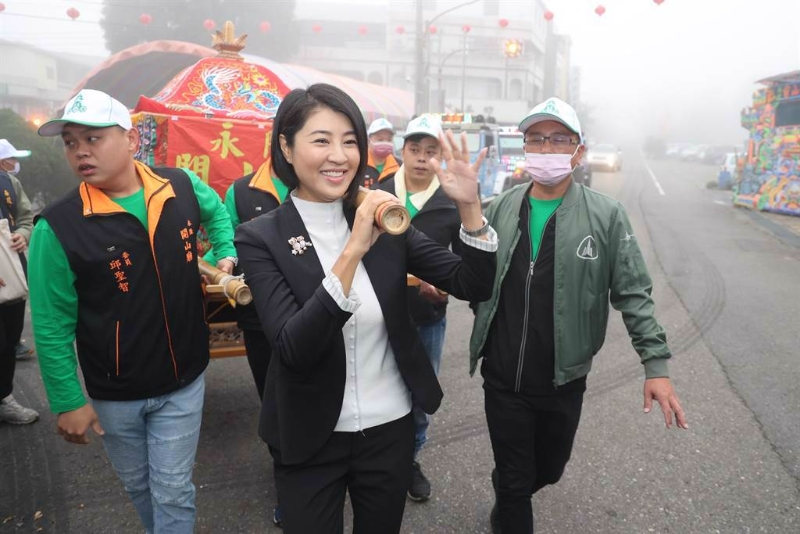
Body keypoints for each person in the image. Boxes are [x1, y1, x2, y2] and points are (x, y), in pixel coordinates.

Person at [235, 83, 497, 533]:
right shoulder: (261, 237)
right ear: (287, 147)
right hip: (308, 433)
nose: (339, 156)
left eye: (350, 141)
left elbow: (473, 283)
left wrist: (470, 208)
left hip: (389, 429)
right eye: (321, 140)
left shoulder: (385, 220)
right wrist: (353, 249)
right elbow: (293, 347)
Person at [469, 97, 688, 534]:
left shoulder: (606, 216)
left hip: (563, 380)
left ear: (578, 151)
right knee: (514, 482)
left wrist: (656, 366)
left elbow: (634, 293)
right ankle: (510, 495)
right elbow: (475, 278)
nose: (545, 149)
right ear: (524, 148)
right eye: (535, 139)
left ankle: (512, 488)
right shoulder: (501, 207)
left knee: (549, 470)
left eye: (558, 140)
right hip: (503, 378)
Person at [28, 89, 237, 533]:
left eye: (93, 138)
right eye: (70, 142)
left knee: (173, 488)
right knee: (140, 485)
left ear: (131, 139)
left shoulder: (179, 186)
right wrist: (67, 400)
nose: (80, 151)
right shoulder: (59, 226)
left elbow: (217, 212)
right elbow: (51, 323)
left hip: (184, 379)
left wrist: (225, 253)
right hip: (116, 391)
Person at [374, 114, 462, 502]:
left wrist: (444, 287)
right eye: (415, 149)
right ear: (403, 151)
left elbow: (463, 265)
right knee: (378, 387)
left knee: (419, 394)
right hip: (379, 316)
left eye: (431, 151)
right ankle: (378, 460)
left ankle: (409, 459)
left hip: (427, 318)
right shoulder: (377, 195)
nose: (423, 158)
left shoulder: (450, 202)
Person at [202, 156, 289, 527]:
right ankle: (287, 477)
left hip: (317, 309)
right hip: (259, 317)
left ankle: (325, 472)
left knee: (321, 394)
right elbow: (229, 242)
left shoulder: (324, 180)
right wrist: (205, 265)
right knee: (274, 398)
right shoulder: (240, 191)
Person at [0, 139, 38, 424]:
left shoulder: (10, 184)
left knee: (10, 340)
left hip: (12, 274)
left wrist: (23, 234)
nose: (15, 163)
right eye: (11, 158)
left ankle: (4, 399)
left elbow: (26, 218)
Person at [361, 117, 401, 188]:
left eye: (389, 140)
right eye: (380, 139)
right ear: (369, 140)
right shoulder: (359, 162)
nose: (385, 143)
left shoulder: (399, 166)